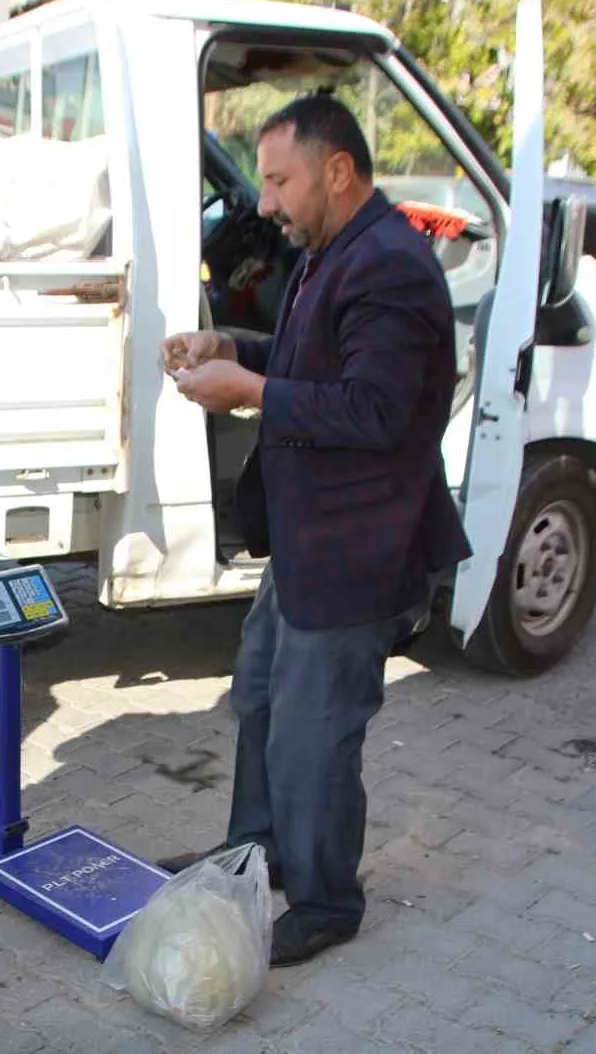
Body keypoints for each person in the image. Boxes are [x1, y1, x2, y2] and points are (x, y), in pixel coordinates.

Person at [158, 94, 473, 967]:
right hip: (307, 540)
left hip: (358, 547)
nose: (264, 202)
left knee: (316, 731)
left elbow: (375, 409)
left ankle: (327, 900)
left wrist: (250, 392)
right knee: (259, 700)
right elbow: (307, 357)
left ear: (337, 172)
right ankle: (254, 859)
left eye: (277, 180)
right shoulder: (332, 249)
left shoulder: (393, 267)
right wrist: (229, 344)